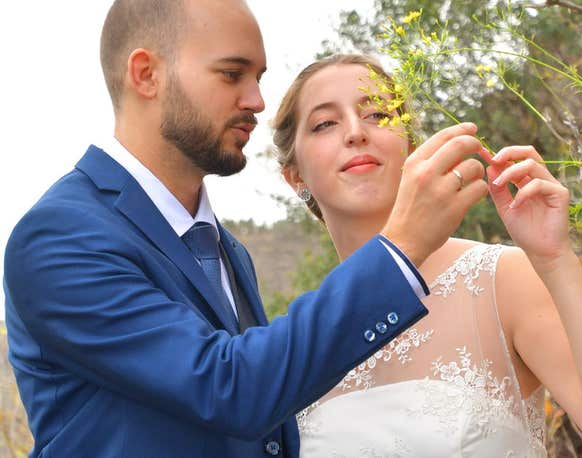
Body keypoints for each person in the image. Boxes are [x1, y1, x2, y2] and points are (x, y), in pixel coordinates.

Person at [2, 2, 491, 457]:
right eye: (231, 74)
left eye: (258, 78)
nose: (256, 101)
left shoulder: (227, 249)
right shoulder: (60, 238)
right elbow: (231, 388)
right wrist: (401, 247)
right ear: (146, 74)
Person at [272, 54, 582, 457]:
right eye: (325, 123)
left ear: (412, 150)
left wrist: (556, 261)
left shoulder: (501, 280)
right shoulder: (298, 344)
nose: (356, 132)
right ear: (296, 177)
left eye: (377, 114)